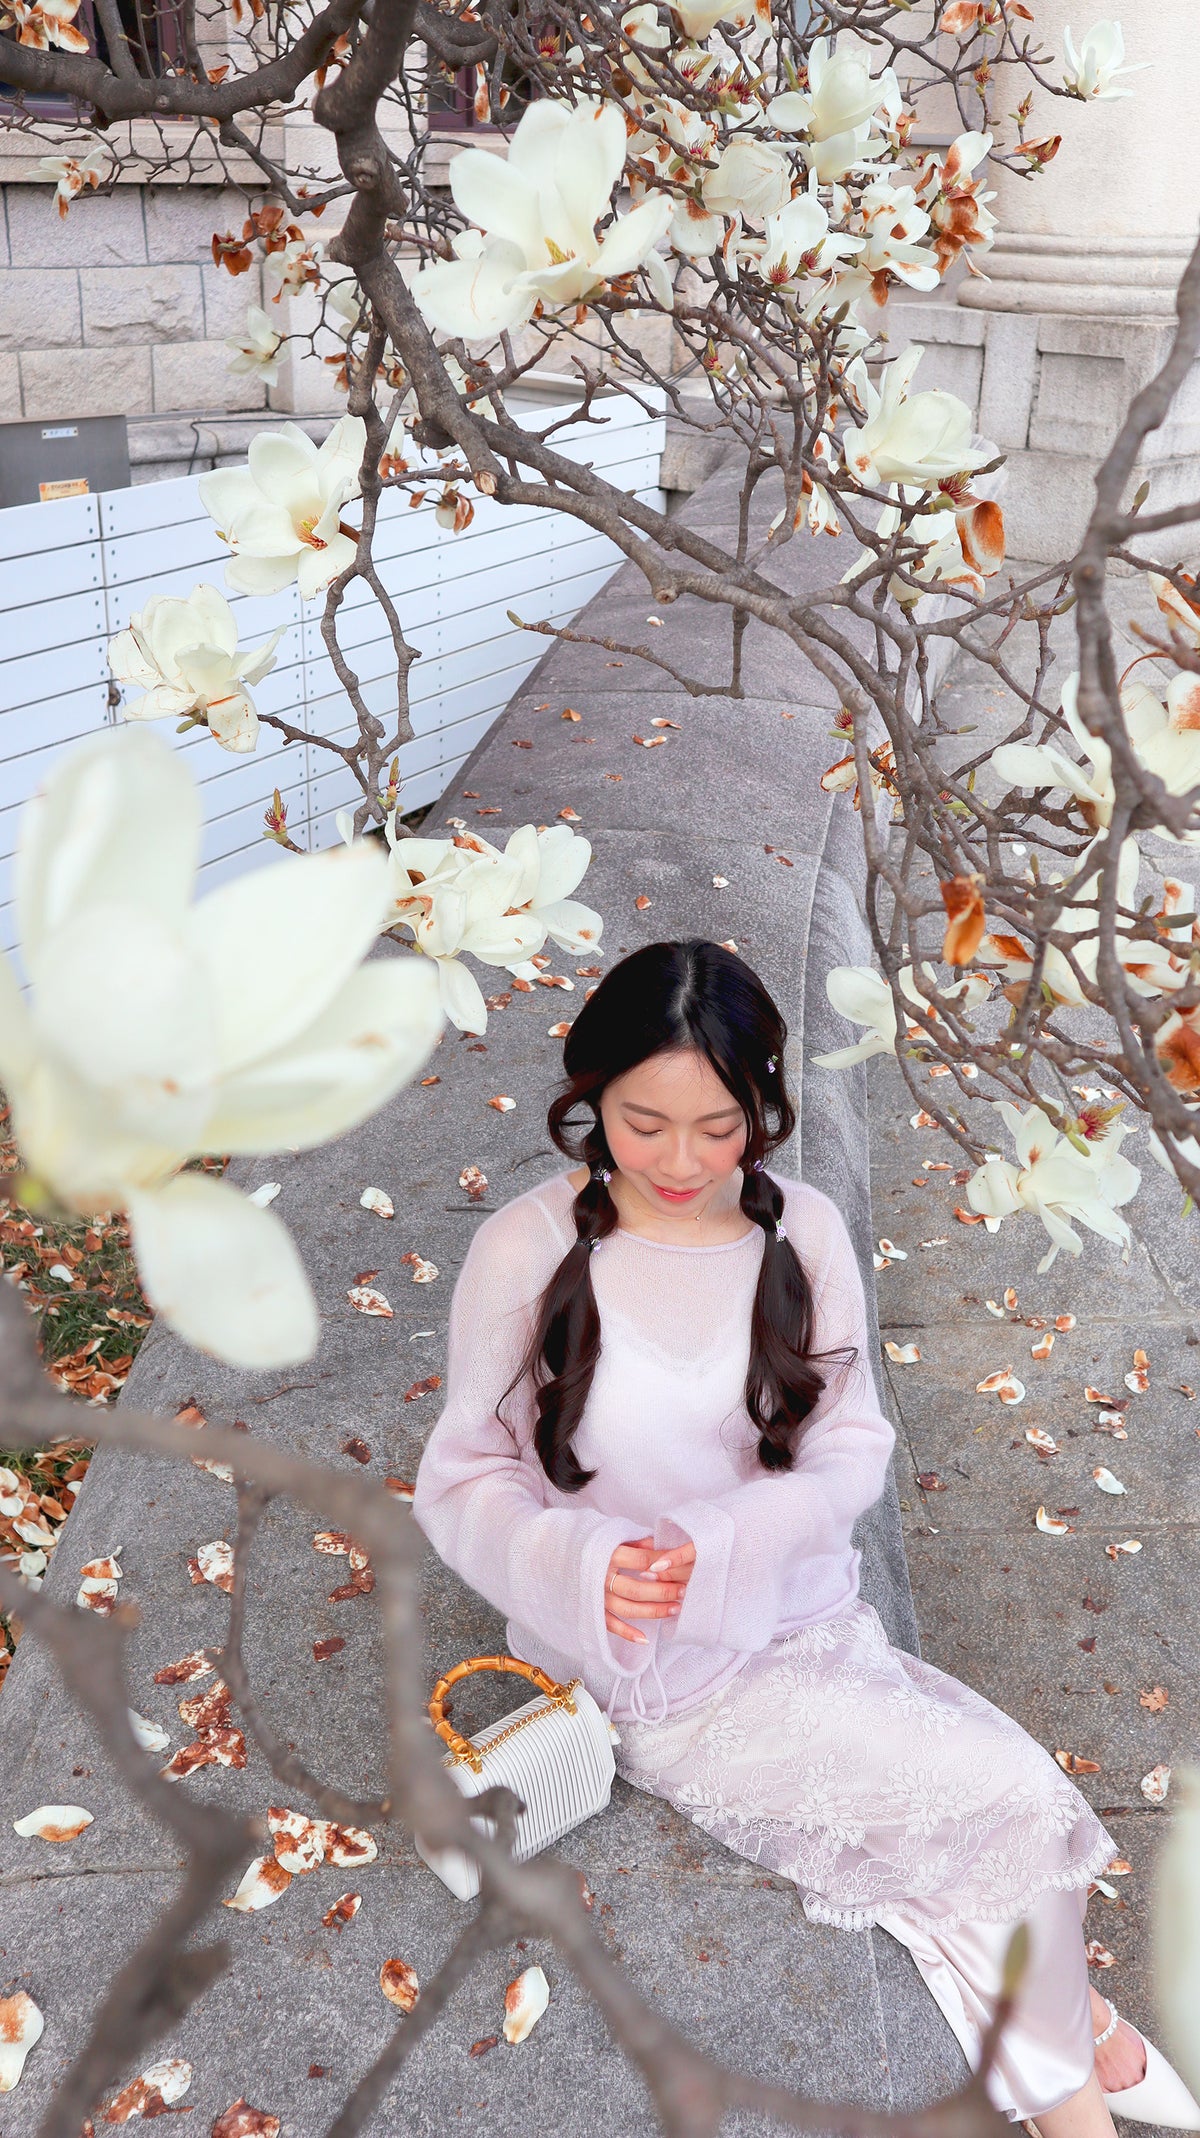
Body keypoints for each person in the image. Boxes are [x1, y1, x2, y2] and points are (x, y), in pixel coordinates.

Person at [412, 938, 1198, 2135]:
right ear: (589, 1098)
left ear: (764, 1106)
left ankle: (1071, 2040)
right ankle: (1073, 2089)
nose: (682, 1160)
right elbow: (464, 1472)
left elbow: (849, 1446)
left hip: (801, 1612)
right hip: (651, 1669)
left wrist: (726, 1534)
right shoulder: (526, 1249)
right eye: (643, 1121)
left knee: (991, 1810)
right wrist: (580, 1565)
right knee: (1011, 1796)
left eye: (719, 1125)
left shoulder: (805, 1231)